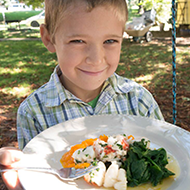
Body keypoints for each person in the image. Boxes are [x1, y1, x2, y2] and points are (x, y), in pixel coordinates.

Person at [0, 0, 164, 189]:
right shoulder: (33, 112)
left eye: (110, 41)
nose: (96, 59)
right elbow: (38, 179)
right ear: (48, 38)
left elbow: (165, 156)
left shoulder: (139, 100)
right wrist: (19, 184)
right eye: (78, 41)